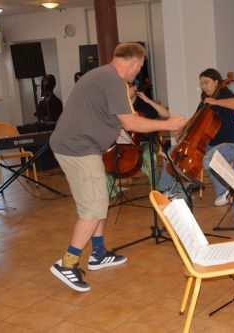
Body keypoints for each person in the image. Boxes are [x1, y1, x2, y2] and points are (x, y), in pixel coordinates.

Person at [49, 42, 186, 292]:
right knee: (93, 207)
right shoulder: (112, 80)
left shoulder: (102, 75)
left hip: (77, 146)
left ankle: (98, 254)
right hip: (79, 148)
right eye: (140, 67)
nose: (139, 72)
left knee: (98, 201)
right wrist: (167, 124)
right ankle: (67, 264)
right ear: (133, 62)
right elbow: (131, 124)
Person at [157, 68, 234, 206]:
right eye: (201, 83)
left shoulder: (225, 94)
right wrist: (184, 130)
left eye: (206, 82)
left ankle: (225, 192)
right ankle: (169, 191)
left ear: (216, 82)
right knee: (172, 152)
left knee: (210, 158)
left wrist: (216, 102)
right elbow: (196, 118)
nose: (203, 86)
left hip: (230, 144)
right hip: (208, 144)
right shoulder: (205, 100)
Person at [106, 80, 170, 196]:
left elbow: (166, 114)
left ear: (135, 87)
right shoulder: (119, 105)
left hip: (144, 142)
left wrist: (149, 100)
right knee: (104, 158)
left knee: (147, 156)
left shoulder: (143, 104)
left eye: (127, 87)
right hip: (122, 144)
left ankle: (159, 190)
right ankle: (111, 193)